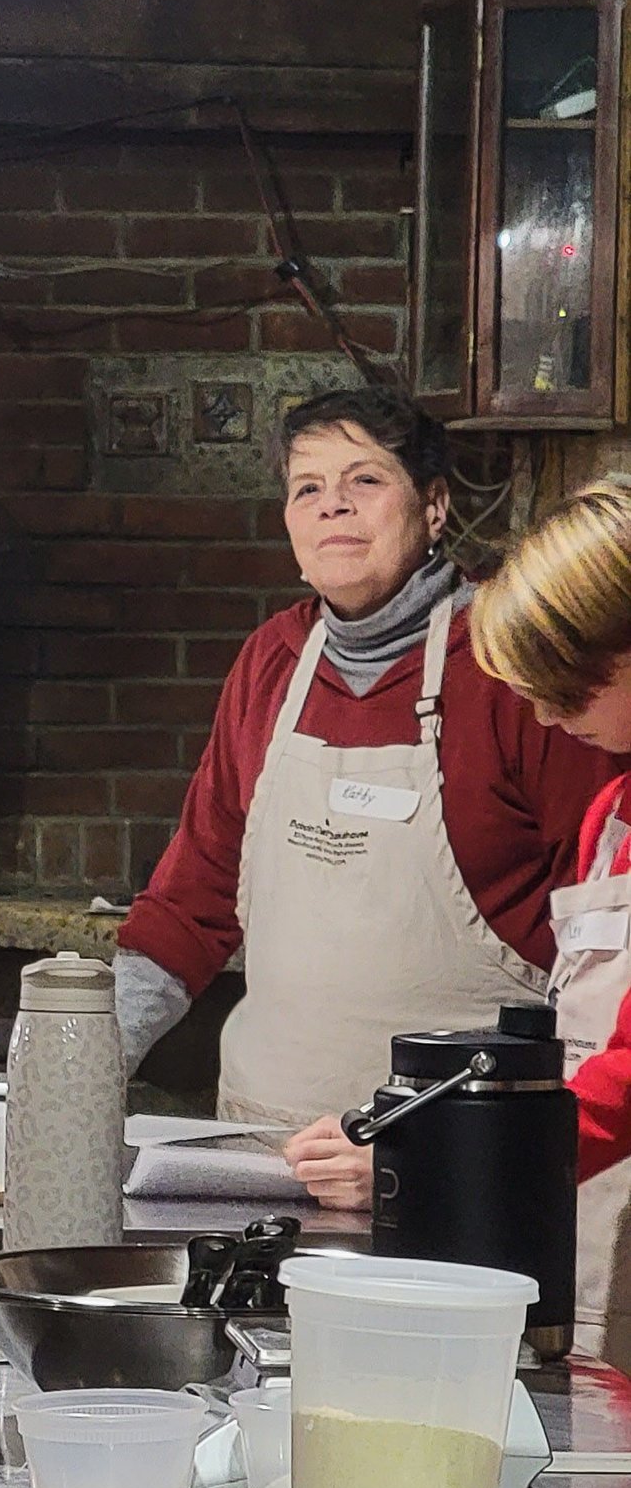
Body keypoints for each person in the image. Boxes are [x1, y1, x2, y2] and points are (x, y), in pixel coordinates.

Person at [116, 388, 620, 1142]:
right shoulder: (270, 664)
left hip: (455, 1143)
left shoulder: (511, 666)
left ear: (436, 506)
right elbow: (195, 894)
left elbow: (597, 929)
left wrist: (513, 1134)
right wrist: (91, 1046)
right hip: (264, 1139)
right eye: (307, 489)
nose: (333, 507)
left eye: (366, 481)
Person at [294, 478, 631, 1367]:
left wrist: (451, 1156)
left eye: (568, 687)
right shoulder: (615, 816)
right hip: (594, 1242)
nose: (550, 716)